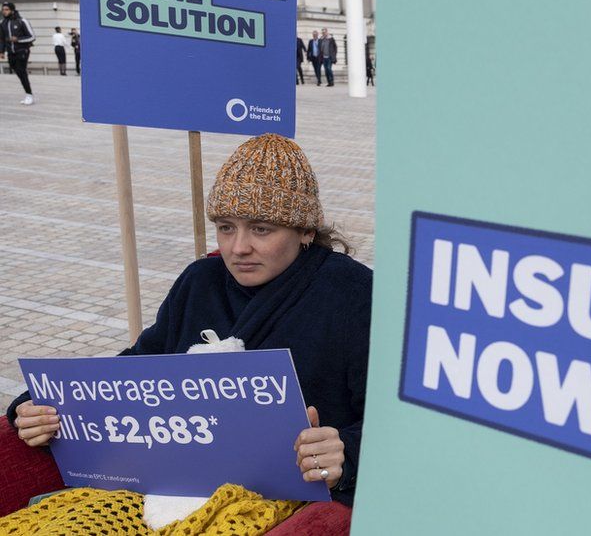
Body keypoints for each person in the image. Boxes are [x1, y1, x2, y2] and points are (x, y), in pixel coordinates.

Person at [6, 134, 372, 514]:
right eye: (226, 227)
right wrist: (39, 406)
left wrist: (346, 452)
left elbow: (394, 424)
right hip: (173, 490)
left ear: (306, 231)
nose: (238, 248)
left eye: (261, 229)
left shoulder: (353, 294)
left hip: (286, 501)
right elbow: (135, 370)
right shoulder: (200, 281)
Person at [0, 1, 36, 105]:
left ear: (12, 10)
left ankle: (29, 95)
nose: (4, 12)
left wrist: (18, 40)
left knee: (21, 70)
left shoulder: (22, 21)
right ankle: (27, 90)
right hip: (11, 52)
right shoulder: (3, 23)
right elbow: (1, 39)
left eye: (6, 10)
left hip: (22, 50)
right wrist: (1, 51)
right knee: (16, 69)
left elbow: (32, 37)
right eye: (3, 10)